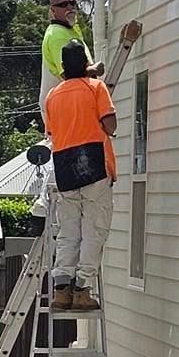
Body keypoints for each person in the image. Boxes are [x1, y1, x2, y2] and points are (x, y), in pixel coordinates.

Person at [42, 42, 117, 309]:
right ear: (86, 64)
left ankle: (62, 290)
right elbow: (110, 125)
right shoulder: (96, 88)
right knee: (94, 229)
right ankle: (83, 289)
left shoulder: (52, 96)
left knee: (68, 230)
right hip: (93, 162)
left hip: (64, 167)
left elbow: (52, 132)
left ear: (63, 67)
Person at [40, 0, 102, 112]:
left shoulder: (69, 30)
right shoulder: (57, 35)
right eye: (63, 4)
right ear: (53, 10)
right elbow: (67, 74)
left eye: (72, 3)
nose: (69, 7)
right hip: (62, 106)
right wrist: (94, 70)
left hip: (70, 101)